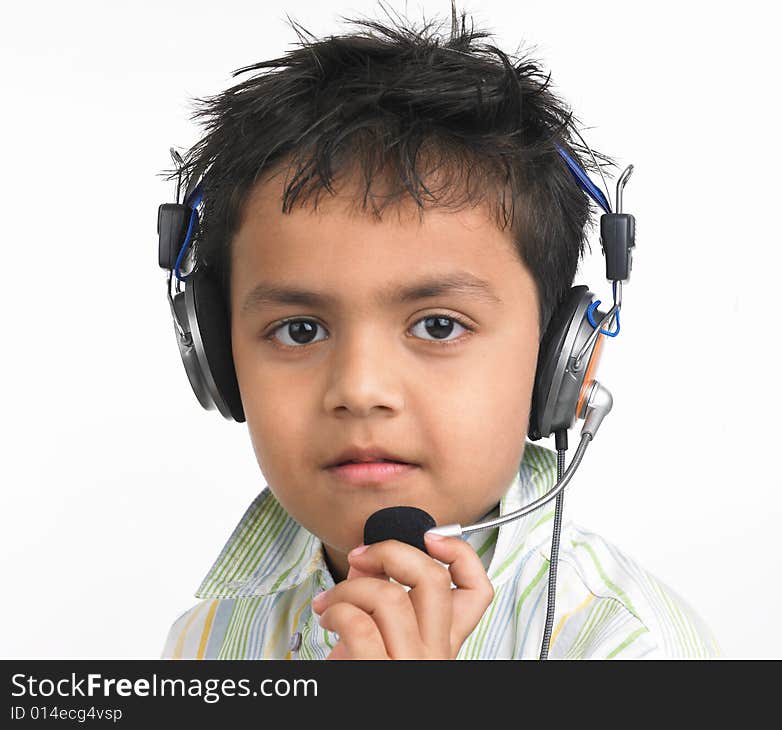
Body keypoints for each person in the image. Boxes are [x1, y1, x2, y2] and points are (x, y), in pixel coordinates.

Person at [160, 3, 721, 660]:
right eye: (301, 330)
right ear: (219, 363)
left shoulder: (629, 646)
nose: (362, 390)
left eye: (437, 325)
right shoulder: (208, 638)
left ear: (559, 363)